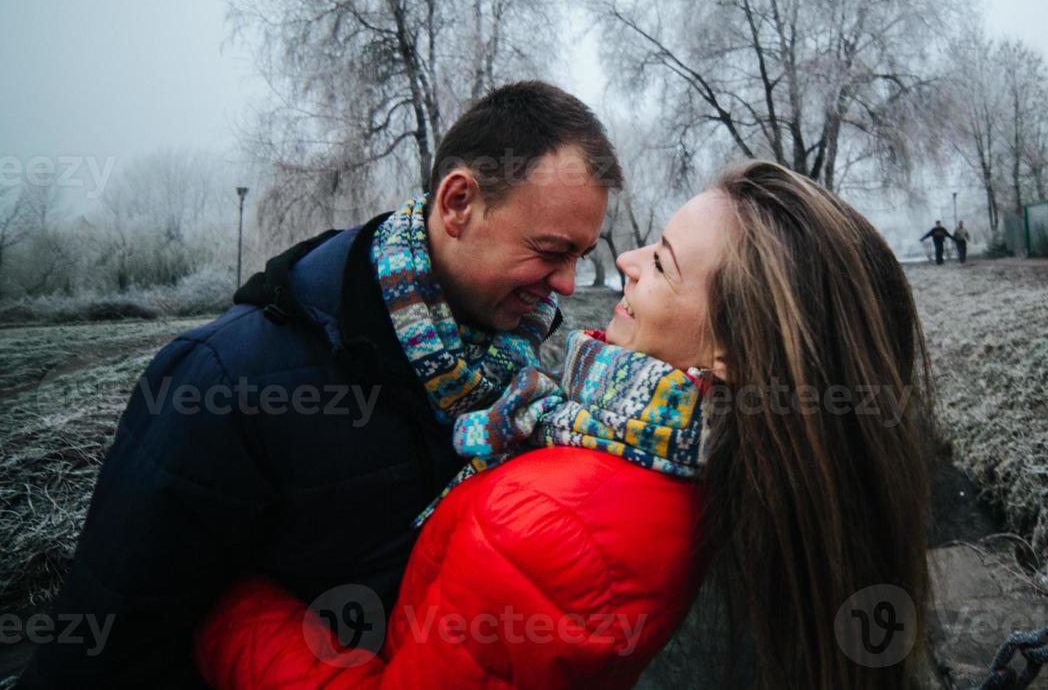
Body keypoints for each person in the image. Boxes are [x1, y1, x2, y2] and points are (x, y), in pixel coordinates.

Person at [194, 161, 936, 690]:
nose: (625, 258)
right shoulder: (745, 471)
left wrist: (233, 616)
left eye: (664, 263)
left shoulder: (549, 521)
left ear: (732, 351)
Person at [19, 81, 621, 689]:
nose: (568, 286)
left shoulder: (517, 372)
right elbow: (109, 649)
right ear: (458, 202)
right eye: (551, 251)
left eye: (581, 255)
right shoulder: (223, 381)